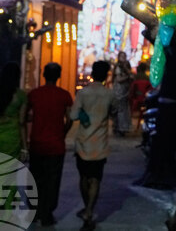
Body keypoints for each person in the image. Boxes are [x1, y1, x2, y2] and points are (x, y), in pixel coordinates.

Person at [70, 60, 118, 228]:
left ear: (92, 74)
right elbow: (114, 112)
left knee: (84, 177)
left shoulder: (83, 93)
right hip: (100, 144)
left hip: (83, 143)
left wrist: (85, 117)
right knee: (96, 179)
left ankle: (86, 207)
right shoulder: (110, 94)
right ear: (106, 76)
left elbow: (73, 115)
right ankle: (90, 210)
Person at [25, 63, 73, 227]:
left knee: (36, 179)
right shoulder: (64, 95)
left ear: (44, 75)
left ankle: (34, 212)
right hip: (55, 145)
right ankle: (47, 213)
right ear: (58, 76)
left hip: (37, 144)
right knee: (52, 181)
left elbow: (24, 116)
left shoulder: (34, 94)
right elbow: (70, 119)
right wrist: (63, 133)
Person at [111, 51, 133, 136]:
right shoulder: (118, 66)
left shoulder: (126, 65)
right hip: (118, 90)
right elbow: (117, 79)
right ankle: (118, 127)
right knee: (118, 109)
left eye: (124, 56)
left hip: (125, 89)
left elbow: (130, 75)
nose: (123, 57)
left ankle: (122, 127)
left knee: (123, 109)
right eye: (121, 56)